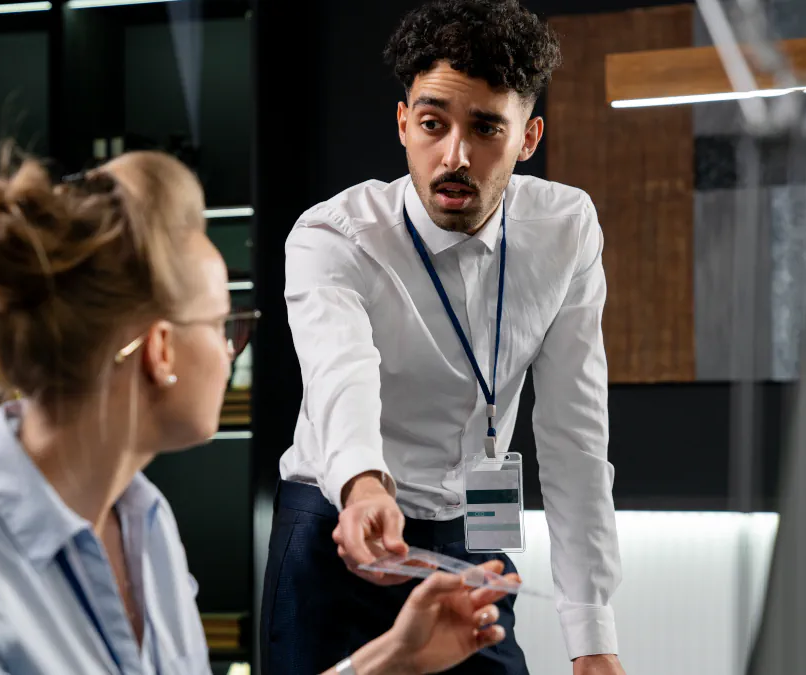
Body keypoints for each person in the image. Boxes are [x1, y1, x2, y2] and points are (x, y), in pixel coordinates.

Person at [0, 147, 515, 674]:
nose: (235, 348)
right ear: (160, 350)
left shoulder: (143, 522)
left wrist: (390, 659)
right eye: (224, 324)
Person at [262, 0, 626, 674]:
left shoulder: (566, 228)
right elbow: (341, 372)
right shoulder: (332, 235)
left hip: (471, 535)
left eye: (486, 128)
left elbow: (574, 434)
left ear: (528, 138)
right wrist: (364, 487)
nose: (455, 156)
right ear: (404, 123)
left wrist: (593, 640)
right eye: (433, 124)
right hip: (341, 527)